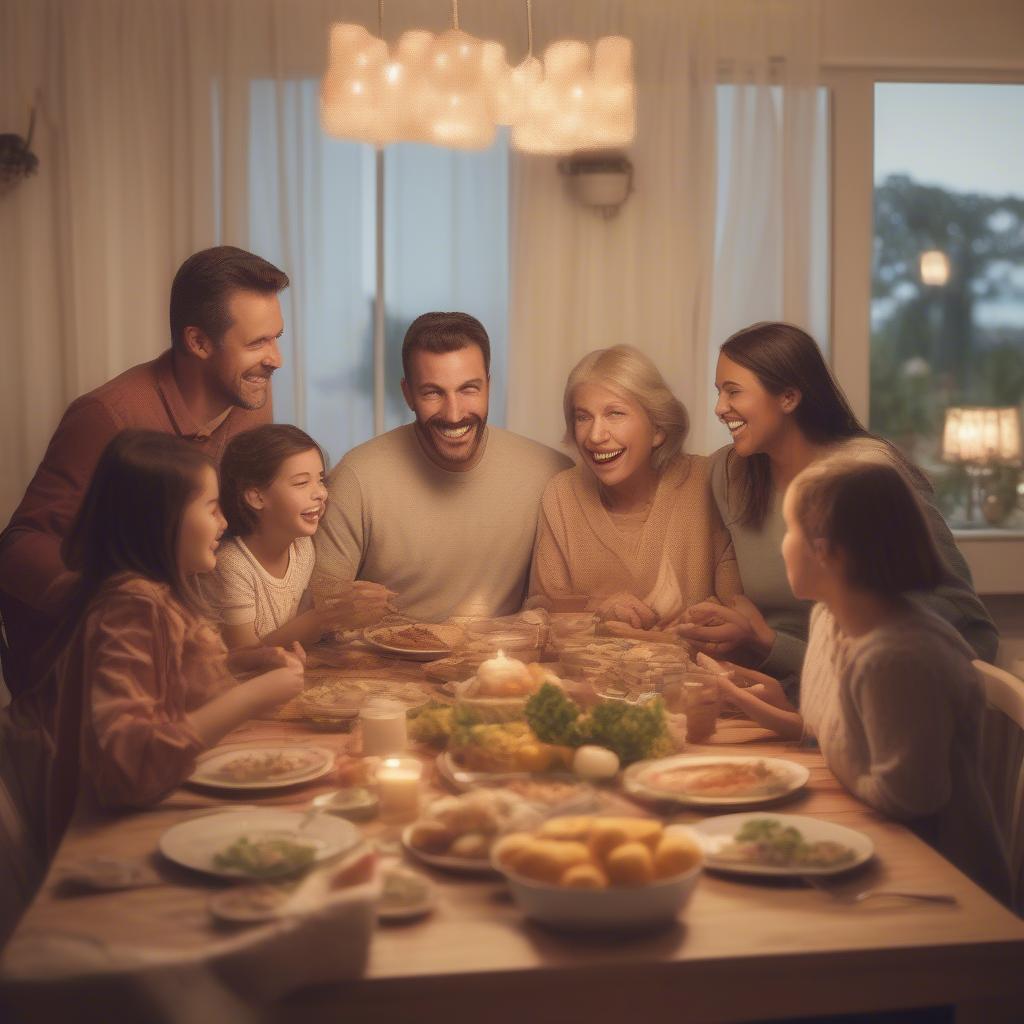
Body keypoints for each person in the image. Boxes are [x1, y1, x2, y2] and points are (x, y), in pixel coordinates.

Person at [0, 432, 304, 931]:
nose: (224, 524)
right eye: (211, 508)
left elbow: (163, 685)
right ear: (161, 523)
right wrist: (253, 697)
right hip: (94, 825)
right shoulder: (130, 607)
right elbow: (129, 759)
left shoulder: (150, 596)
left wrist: (241, 667)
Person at [716, 457, 1011, 904]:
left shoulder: (899, 657)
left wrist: (827, 748)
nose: (782, 547)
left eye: (790, 531)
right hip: (880, 845)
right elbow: (836, 732)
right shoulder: (832, 618)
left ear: (829, 552)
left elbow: (907, 799)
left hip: (940, 883)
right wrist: (758, 703)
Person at [0, 245, 290, 695]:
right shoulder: (108, 416)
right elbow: (18, 549)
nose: (276, 360)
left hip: (193, 658)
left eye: (276, 338)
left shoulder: (251, 397)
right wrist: (121, 606)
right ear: (197, 342)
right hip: (92, 681)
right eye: (257, 343)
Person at [678, 321, 997, 683]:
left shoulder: (869, 475)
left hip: (875, 695)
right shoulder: (729, 473)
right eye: (719, 392)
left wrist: (768, 645)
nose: (720, 408)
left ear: (788, 397)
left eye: (733, 392)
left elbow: (965, 619)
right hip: (779, 686)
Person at [311, 312, 571, 620]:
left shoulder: (550, 473)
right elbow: (319, 611)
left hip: (497, 661)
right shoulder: (357, 477)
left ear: (488, 386)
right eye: (433, 392)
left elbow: (563, 604)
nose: (454, 413)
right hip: (384, 663)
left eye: (468, 389)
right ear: (408, 394)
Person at [529, 345, 741, 626]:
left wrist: (699, 621)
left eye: (615, 413)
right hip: (586, 670)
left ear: (658, 429)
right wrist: (598, 609)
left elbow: (738, 613)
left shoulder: (707, 483)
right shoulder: (562, 494)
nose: (595, 435)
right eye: (583, 417)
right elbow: (540, 610)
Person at [214, 424, 394, 649]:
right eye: (301, 483)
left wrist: (352, 603)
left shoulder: (302, 547)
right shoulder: (232, 565)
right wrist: (324, 617)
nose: (321, 493)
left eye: (320, 479)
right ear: (256, 497)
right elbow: (244, 657)